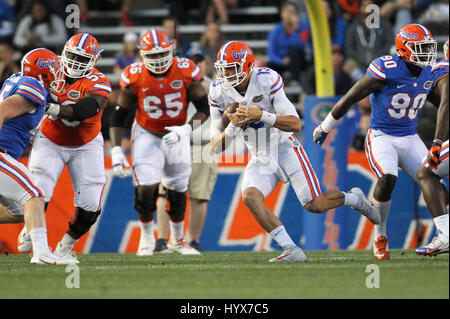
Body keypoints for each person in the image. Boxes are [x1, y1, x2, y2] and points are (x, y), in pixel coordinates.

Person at [209, 41, 380, 262]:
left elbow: (295, 124)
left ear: (247, 65)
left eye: (232, 67)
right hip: (260, 155)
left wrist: (260, 115)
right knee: (250, 197)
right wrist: (232, 127)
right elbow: (215, 145)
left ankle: (354, 199)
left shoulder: (266, 79)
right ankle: (291, 249)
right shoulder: (217, 91)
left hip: (284, 146)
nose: (226, 73)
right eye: (224, 68)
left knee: (315, 205)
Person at [313, 24, 440, 260]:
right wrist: (325, 126)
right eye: (420, 48)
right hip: (383, 137)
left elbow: (442, 102)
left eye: (427, 47)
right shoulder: (387, 69)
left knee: (436, 184)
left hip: (411, 138)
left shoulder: (428, 72)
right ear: (404, 49)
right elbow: (351, 96)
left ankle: (445, 233)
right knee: (388, 177)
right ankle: (380, 236)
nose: (426, 53)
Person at [109, 29, 210, 256]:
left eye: (161, 54)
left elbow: (204, 108)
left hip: (177, 134)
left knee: (177, 189)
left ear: (171, 50)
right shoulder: (134, 75)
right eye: (152, 55)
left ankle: (178, 241)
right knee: (146, 188)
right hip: (147, 134)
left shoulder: (185, 70)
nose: (157, 59)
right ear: (142, 55)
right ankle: (146, 238)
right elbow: (119, 114)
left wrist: (185, 130)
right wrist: (116, 150)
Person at [17, 33, 111, 264]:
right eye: (73, 55)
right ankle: (32, 231)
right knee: (39, 192)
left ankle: (65, 247)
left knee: (90, 205)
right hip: (50, 139)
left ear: (95, 59)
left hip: (86, 143)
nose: (76, 62)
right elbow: (23, 85)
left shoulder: (99, 80)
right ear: (64, 51)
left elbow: (84, 109)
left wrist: (49, 107)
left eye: (83, 58)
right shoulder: (49, 67)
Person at [0, 48, 74, 264]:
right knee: (34, 196)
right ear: (43, 72)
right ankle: (42, 254)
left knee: (20, 213)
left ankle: (42, 252)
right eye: (54, 70)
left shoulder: (17, 80)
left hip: (6, 154)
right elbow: (2, 110)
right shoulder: (34, 88)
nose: (58, 74)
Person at [154, 47, 218, 253]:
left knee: (199, 195)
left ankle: (194, 240)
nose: (196, 64)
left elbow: (213, 92)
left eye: (198, 61)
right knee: (165, 193)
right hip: (175, 143)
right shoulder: (177, 81)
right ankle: (162, 239)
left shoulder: (211, 84)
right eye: (191, 61)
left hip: (203, 144)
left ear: (204, 63)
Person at [415, 40, 449, 256]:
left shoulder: (442, 69)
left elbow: (447, 103)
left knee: (426, 173)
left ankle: (445, 235)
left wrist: (437, 142)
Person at [344, 0, 394, 81]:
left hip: (379, 60)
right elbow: (349, 47)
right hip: (359, 61)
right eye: (364, 5)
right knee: (347, 65)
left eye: (370, 5)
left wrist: (378, 56)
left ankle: (377, 83)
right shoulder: (354, 25)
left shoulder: (384, 24)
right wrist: (360, 57)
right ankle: (361, 82)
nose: (368, 8)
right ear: (360, 8)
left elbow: (390, 44)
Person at [266, 1, 310, 85]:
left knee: (295, 51)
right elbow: (271, 53)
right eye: (288, 12)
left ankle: (295, 80)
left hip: (297, 61)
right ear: (282, 14)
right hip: (282, 61)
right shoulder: (276, 31)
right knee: (269, 66)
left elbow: (301, 46)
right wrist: (281, 61)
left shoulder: (302, 29)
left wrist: (296, 30)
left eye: (293, 12)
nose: (290, 15)